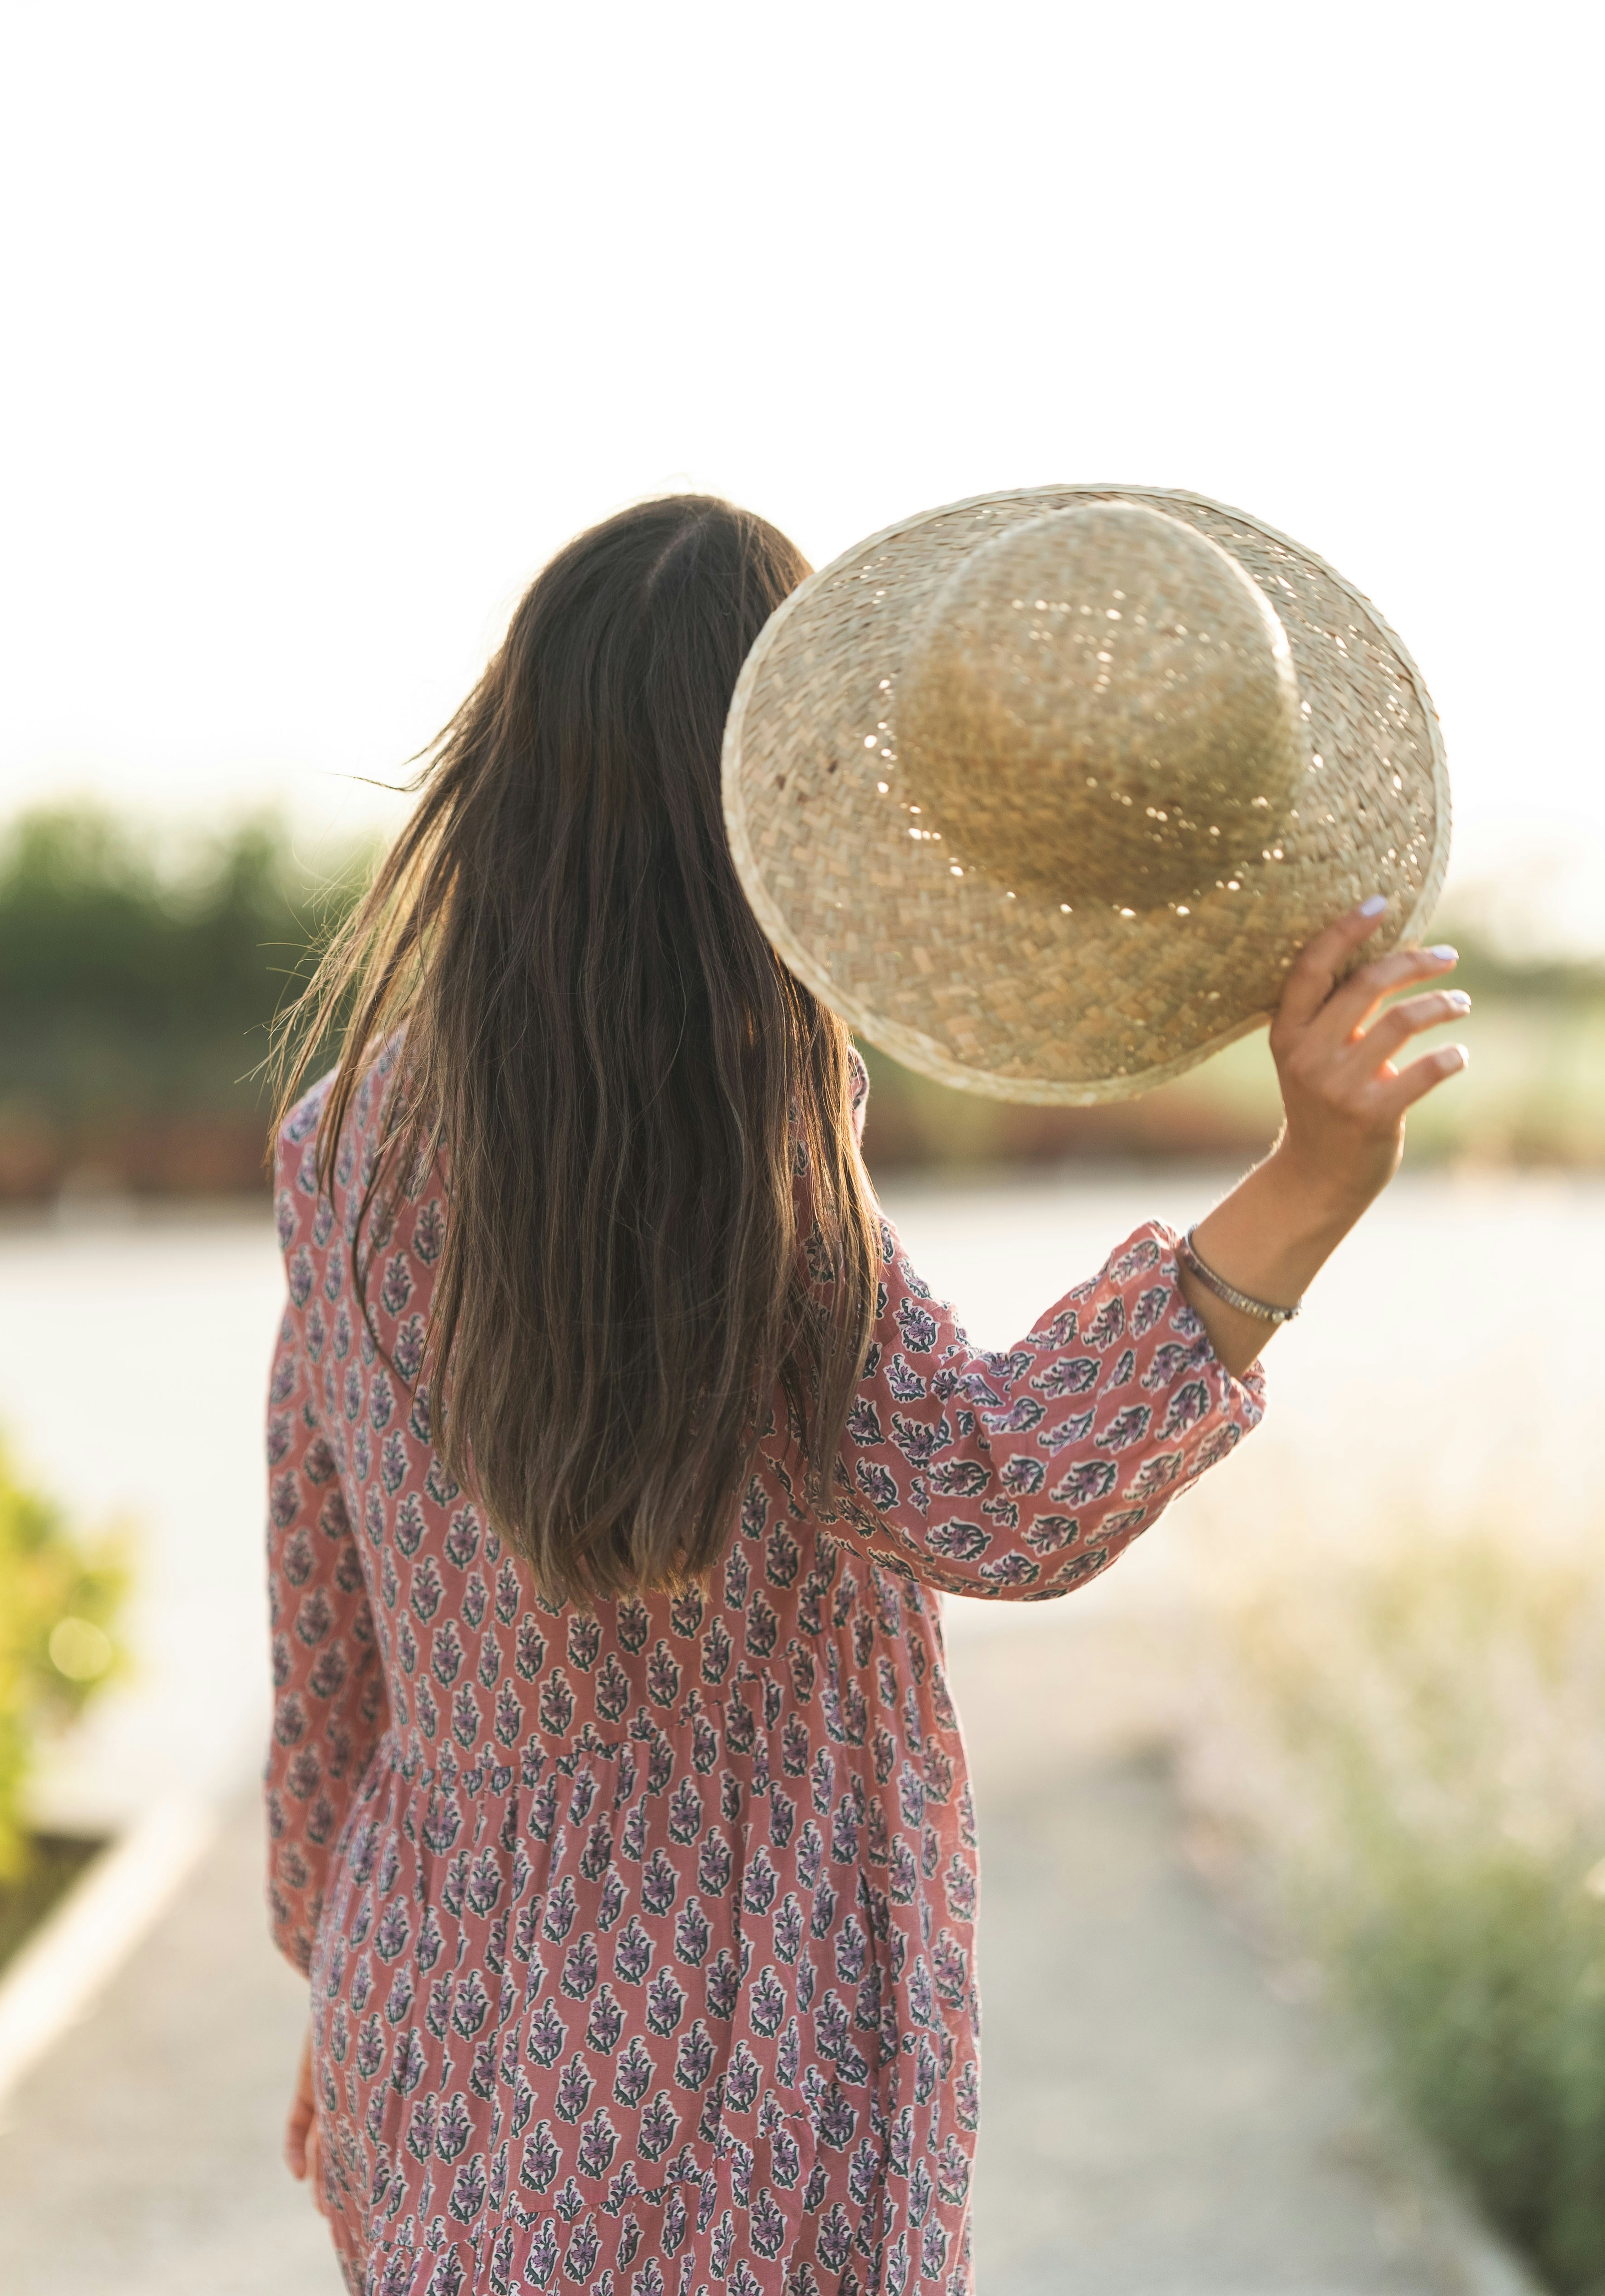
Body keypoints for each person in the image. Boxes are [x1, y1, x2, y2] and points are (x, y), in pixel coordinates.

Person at [263, 494, 1467, 2296]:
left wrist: (344, 1965)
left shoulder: (342, 1136)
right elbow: (989, 1487)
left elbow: (318, 1601)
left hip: (425, 1994)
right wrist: (1311, 1181)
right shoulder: (741, 1163)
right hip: (737, 2039)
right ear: (778, 809)